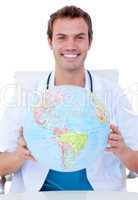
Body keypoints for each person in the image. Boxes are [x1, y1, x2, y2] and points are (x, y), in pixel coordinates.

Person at [0, 5, 138, 192]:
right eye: (62, 37)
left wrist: (123, 151)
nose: (71, 46)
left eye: (79, 37)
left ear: (90, 41)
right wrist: (19, 155)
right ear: (50, 42)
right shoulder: (26, 94)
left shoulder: (112, 94)